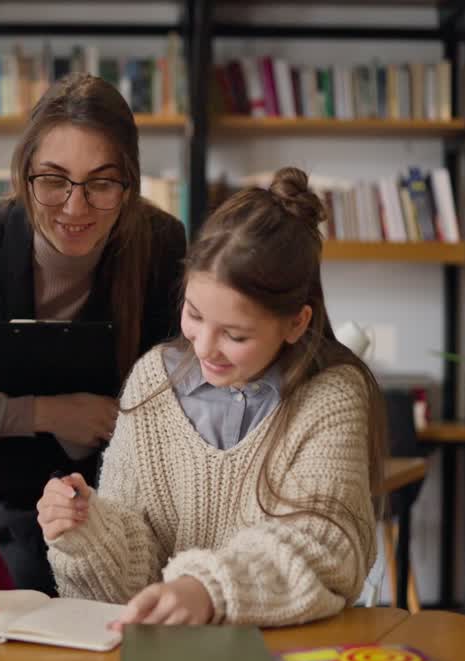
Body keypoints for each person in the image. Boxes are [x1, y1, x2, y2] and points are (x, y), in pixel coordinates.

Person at [38, 167, 384, 627]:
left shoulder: (330, 396)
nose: (203, 347)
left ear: (297, 323)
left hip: (291, 654)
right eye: (194, 314)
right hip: (166, 654)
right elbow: (134, 578)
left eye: (235, 335)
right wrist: (86, 527)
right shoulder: (153, 381)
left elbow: (321, 550)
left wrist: (209, 590)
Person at [0, 73, 188, 594]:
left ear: (129, 183)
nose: (74, 207)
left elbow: (177, 397)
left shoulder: (160, 244)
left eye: (101, 183)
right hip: (2, 500)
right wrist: (47, 413)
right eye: (53, 179)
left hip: (120, 506)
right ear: (24, 175)